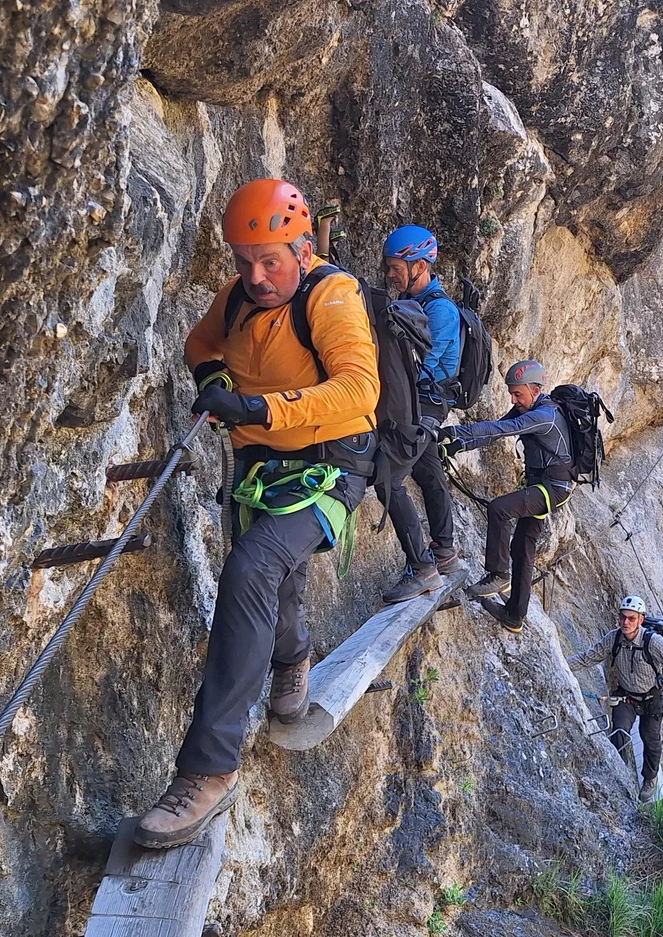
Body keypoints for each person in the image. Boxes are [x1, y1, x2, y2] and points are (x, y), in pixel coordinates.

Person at [137, 179, 380, 849]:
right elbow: (200, 345)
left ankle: (208, 771)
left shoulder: (331, 296)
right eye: (244, 261)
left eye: (270, 259)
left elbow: (360, 386)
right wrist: (215, 383)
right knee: (276, 578)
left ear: (303, 249)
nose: (256, 275)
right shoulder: (239, 297)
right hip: (259, 468)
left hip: (332, 462)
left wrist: (261, 409)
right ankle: (294, 656)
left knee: (252, 567)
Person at [439, 360, 571, 633]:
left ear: (535, 390)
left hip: (552, 489)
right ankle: (514, 615)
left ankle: (498, 575)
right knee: (523, 547)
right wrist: (459, 445)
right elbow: (495, 431)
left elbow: (500, 430)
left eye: (517, 394)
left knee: (499, 509)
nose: (513, 399)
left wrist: (454, 431)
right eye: (511, 393)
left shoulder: (543, 416)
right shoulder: (530, 408)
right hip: (540, 484)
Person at [376, 224, 462, 604]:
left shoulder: (441, 310)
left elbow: (422, 368)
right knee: (428, 472)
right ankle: (443, 550)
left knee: (387, 477)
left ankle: (423, 567)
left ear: (420, 265)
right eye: (389, 267)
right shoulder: (417, 303)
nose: (391, 274)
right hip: (419, 402)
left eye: (396, 267)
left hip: (426, 404)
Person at [568, 595, 663, 802]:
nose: (626, 622)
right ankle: (619, 772)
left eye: (631, 618)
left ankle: (649, 779)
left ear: (640, 620)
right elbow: (587, 657)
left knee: (650, 738)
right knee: (619, 731)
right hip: (626, 696)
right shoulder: (613, 638)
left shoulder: (653, 643)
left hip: (652, 697)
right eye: (623, 617)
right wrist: (560, 661)